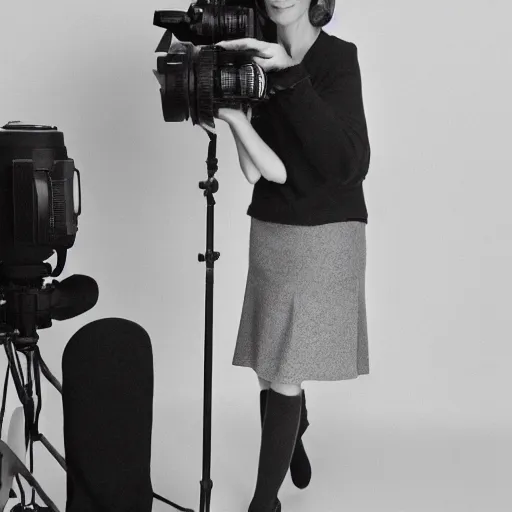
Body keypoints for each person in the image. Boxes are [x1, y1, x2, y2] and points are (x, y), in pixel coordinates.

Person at [215, 0, 371, 509]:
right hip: (274, 228)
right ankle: (294, 430)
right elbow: (259, 171)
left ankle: (265, 501)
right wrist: (233, 117)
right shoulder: (253, 61)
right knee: (271, 365)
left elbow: (347, 162)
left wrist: (290, 73)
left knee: (284, 368)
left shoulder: (337, 59)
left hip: (324, 231)